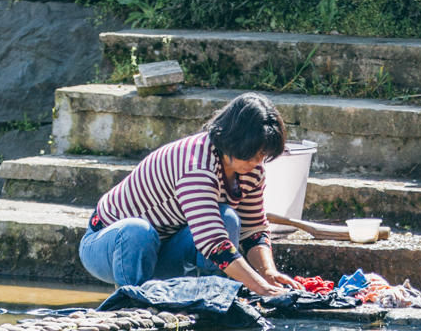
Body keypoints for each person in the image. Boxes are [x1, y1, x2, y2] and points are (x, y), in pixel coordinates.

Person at [79, 93, 300, 299]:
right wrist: (259, 287)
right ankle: (132, 299)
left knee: (228, 218)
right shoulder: (196, 167)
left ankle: (207, 295)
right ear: (233, 141)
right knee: (138, 231)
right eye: (253, 154)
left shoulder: (251, 172)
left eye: (262, 155)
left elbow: (253, 230)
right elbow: (213, 242)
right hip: (108, 247)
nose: (257, 163)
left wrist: (268, 273)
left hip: (164, 249)